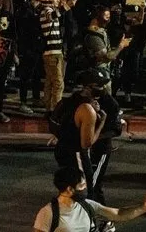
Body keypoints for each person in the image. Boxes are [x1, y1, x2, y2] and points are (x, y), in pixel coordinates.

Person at [32, 166, 146, 232]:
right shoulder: (48, 213)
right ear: (70, 189)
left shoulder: (87, 205)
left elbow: (119, 214)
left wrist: (145, 206)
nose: (86, 188)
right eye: (82, 185)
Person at [53, 69, 112, 201]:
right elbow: (86, 143)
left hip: (61, 149)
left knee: (67, 187)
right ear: (87, 87)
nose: (103, 88)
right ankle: (87, 218)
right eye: (99, 86)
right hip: (76, 154)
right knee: (84, 189)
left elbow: (55, 122)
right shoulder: (87, 109)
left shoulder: (68, 101)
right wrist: (101, 122)